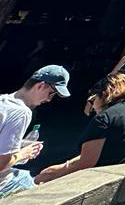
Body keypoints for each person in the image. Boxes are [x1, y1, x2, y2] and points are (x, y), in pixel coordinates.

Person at [35, 74, 125, 184]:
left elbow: (85, 164)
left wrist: (50, 174)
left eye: (92, 100)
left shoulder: (104, 119)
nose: (92, 106)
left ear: (104, 95)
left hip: (111, 180)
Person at [0, 65, 69, 197]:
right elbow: (1, 163)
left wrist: (19, 144)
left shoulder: (3, 101)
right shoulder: (21, 112)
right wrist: (23, 153)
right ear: (40, 86)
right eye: (51, 94)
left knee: (24, 174)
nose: (49, 100)